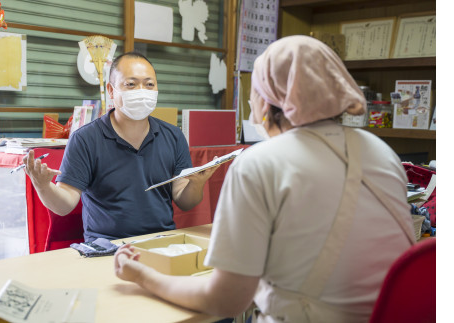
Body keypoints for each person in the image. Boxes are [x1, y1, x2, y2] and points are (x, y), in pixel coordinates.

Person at [113, 36, 416, 322]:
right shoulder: (381, 151)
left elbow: (226, 300)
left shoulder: (259, 162)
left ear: (269, 98)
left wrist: (140, 275)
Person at [23, 51, 218, 242]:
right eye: (131, 84)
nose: (142, 91)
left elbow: (185, 201)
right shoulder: (85, 139)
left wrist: (197, 182)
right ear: (111, 90)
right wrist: (43, 186)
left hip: (161, 242)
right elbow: (65, 204)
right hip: (106, 246)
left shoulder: (174, 136)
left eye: (149, 84)